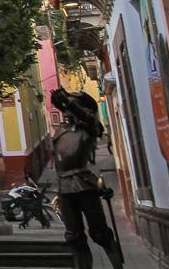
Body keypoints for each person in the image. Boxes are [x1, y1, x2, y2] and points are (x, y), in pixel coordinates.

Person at [51, 88, 122, 269]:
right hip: (64, 187)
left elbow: (88, 118)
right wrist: (63, 101)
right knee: (74, 237)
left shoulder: (91, 127)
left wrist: (69, 102)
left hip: (83, 183)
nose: (67, 107)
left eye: (73, 102)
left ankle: (116, 264)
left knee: (99, 234)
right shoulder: (60, 131)